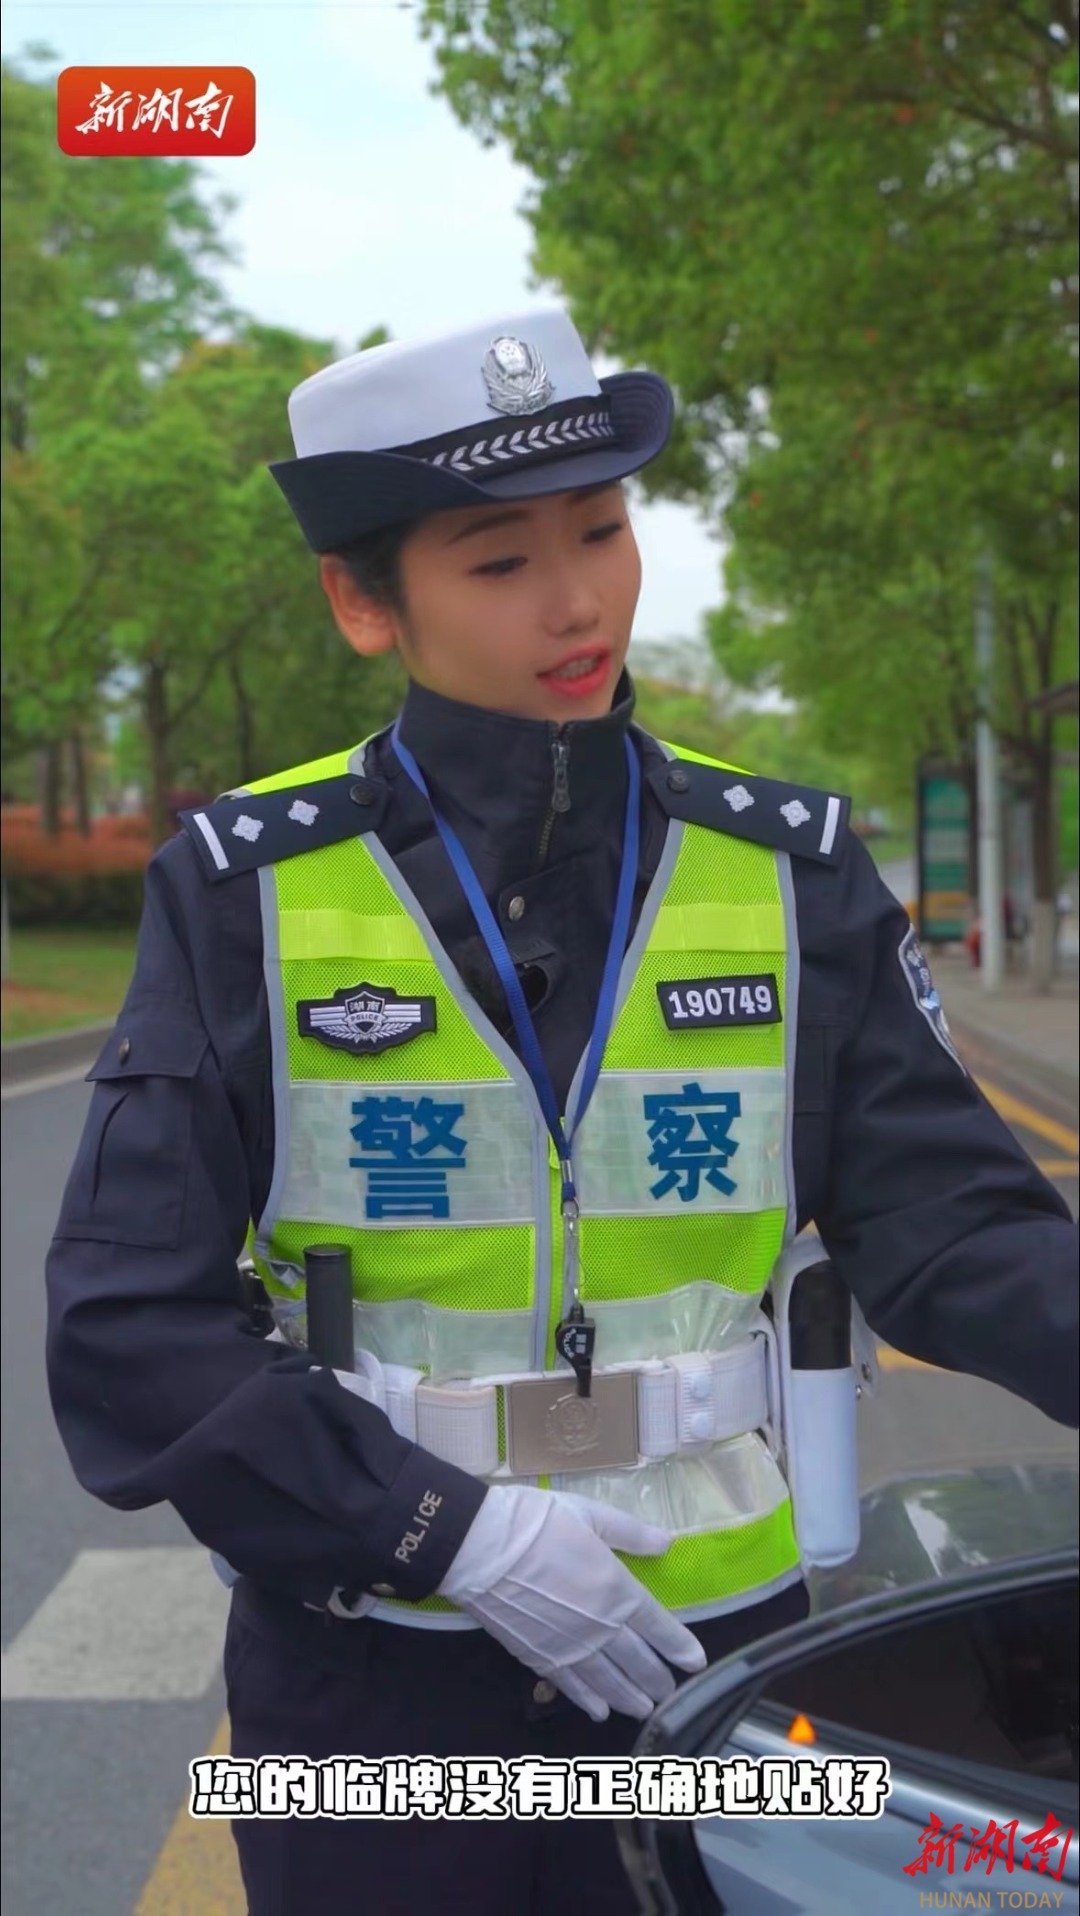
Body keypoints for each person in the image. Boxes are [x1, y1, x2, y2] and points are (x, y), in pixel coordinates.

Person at [46, 308, 1078, 1914]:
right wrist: (444, 1533)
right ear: (364, 602)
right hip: (373, 1677)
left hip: (720, 1669)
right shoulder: (244, 890)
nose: (579, 599)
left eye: (601, 530)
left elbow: (954, 1231)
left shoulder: (789, 872)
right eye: (500, 560)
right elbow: (129, 1322)